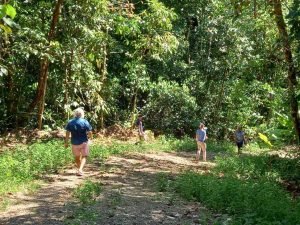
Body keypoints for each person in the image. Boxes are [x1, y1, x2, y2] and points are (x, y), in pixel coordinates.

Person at [65, 108, 92, 176]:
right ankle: (80, 169)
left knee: (77, 157)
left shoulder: (70, 122)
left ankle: (80, 169)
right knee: (84, 156)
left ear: (75, 114)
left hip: (74, 143)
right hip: (84, 142)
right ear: (82, 114)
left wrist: (66, 142)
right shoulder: (85, 121)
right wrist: (91, 138)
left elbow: (67, 133)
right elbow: (89, 132)